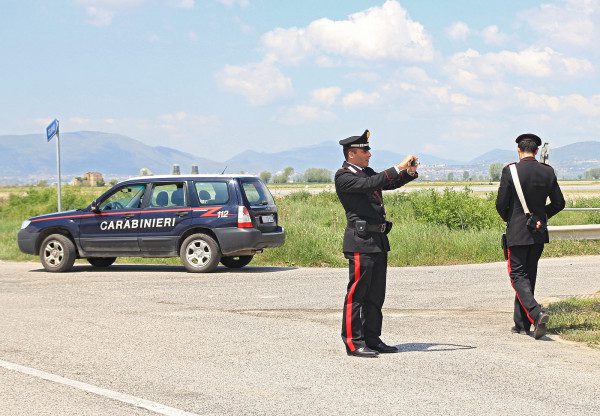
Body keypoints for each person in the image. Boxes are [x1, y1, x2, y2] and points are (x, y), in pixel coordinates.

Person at [335, 129, 418, 358]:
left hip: (378, 240)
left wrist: (408, 173)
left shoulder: (366, 173)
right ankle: (353, 342)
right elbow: (373, 182)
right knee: (357, 294)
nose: (369, 154)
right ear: (352, 154)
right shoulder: (343, 176)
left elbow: (385, 184)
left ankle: (372, 337)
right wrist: (397, 167)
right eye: (365, 150)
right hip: (360, 242)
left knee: (375, 294)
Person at [496, 133, 565, 340]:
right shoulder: (547, 171)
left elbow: (501, 204)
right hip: (538, 231)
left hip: (517, 231)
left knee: (517, 275)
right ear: (536, 151)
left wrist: (512, 218)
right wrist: (541, 217)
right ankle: (522, 324)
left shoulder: (511, 171)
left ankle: (536, 314)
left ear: (519, 149)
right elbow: (559, 203)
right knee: (529, 274)